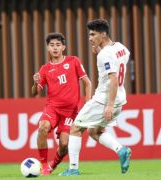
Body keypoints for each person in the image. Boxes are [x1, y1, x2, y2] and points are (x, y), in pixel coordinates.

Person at [59, 19, 131, 176]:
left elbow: (113, 78)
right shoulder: (121, 48)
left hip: (104, 99)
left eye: (93, 34)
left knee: (75, 128)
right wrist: (100, 50)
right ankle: (121, 150)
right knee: (94, 131)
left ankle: (73, 169)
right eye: (89, 34)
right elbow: (119, 61)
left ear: (103, 34)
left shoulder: (104, 55)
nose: (90, 38)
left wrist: (109, 105)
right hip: (120, 98)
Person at [32, 32, 92, 175]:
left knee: (64, 145)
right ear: (47, 48)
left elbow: (87, 83)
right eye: (52, 45)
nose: (55, 48)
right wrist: (35, 83)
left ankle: (53, 165)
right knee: (42, 128)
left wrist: (88, 103)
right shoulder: (45, 69)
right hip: (52, 108)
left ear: (63, 47)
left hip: (70, 111)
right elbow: (35, 92)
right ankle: (43, 164)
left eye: (58, 45)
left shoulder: (73, 61)